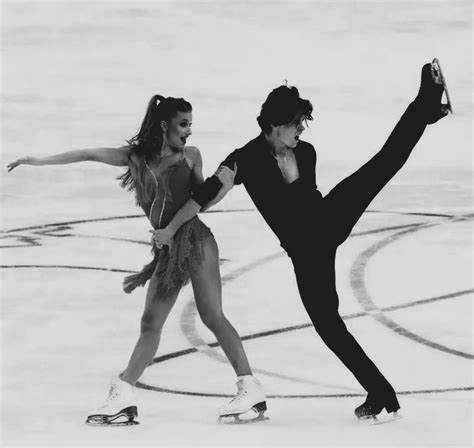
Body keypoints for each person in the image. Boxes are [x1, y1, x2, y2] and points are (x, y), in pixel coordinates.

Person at [151, 60, 451, 421]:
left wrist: (291, 176)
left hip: (326, 220)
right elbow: (204, 199)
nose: (302, 130)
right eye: (296, 124)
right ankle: (380, 392)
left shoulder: (304, 152)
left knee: (384, 163)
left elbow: (302, 204)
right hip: (305, 252)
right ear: (276, 126)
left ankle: (426, 103)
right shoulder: (243, 159)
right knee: (328, 325)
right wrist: (176, 223)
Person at [7, 95, 267, 425]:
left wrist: (225, 190)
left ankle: (249, 385)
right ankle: (125, 393)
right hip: (167, 250)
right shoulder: (135, 158)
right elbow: (89, 154)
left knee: (212, 315)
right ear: (164, 126)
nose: (188, 131)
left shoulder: (191, 157)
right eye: (182, 124)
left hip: (196, 241)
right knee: (150, 323)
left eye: (190, 124)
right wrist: (39, 160)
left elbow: (201, 200)